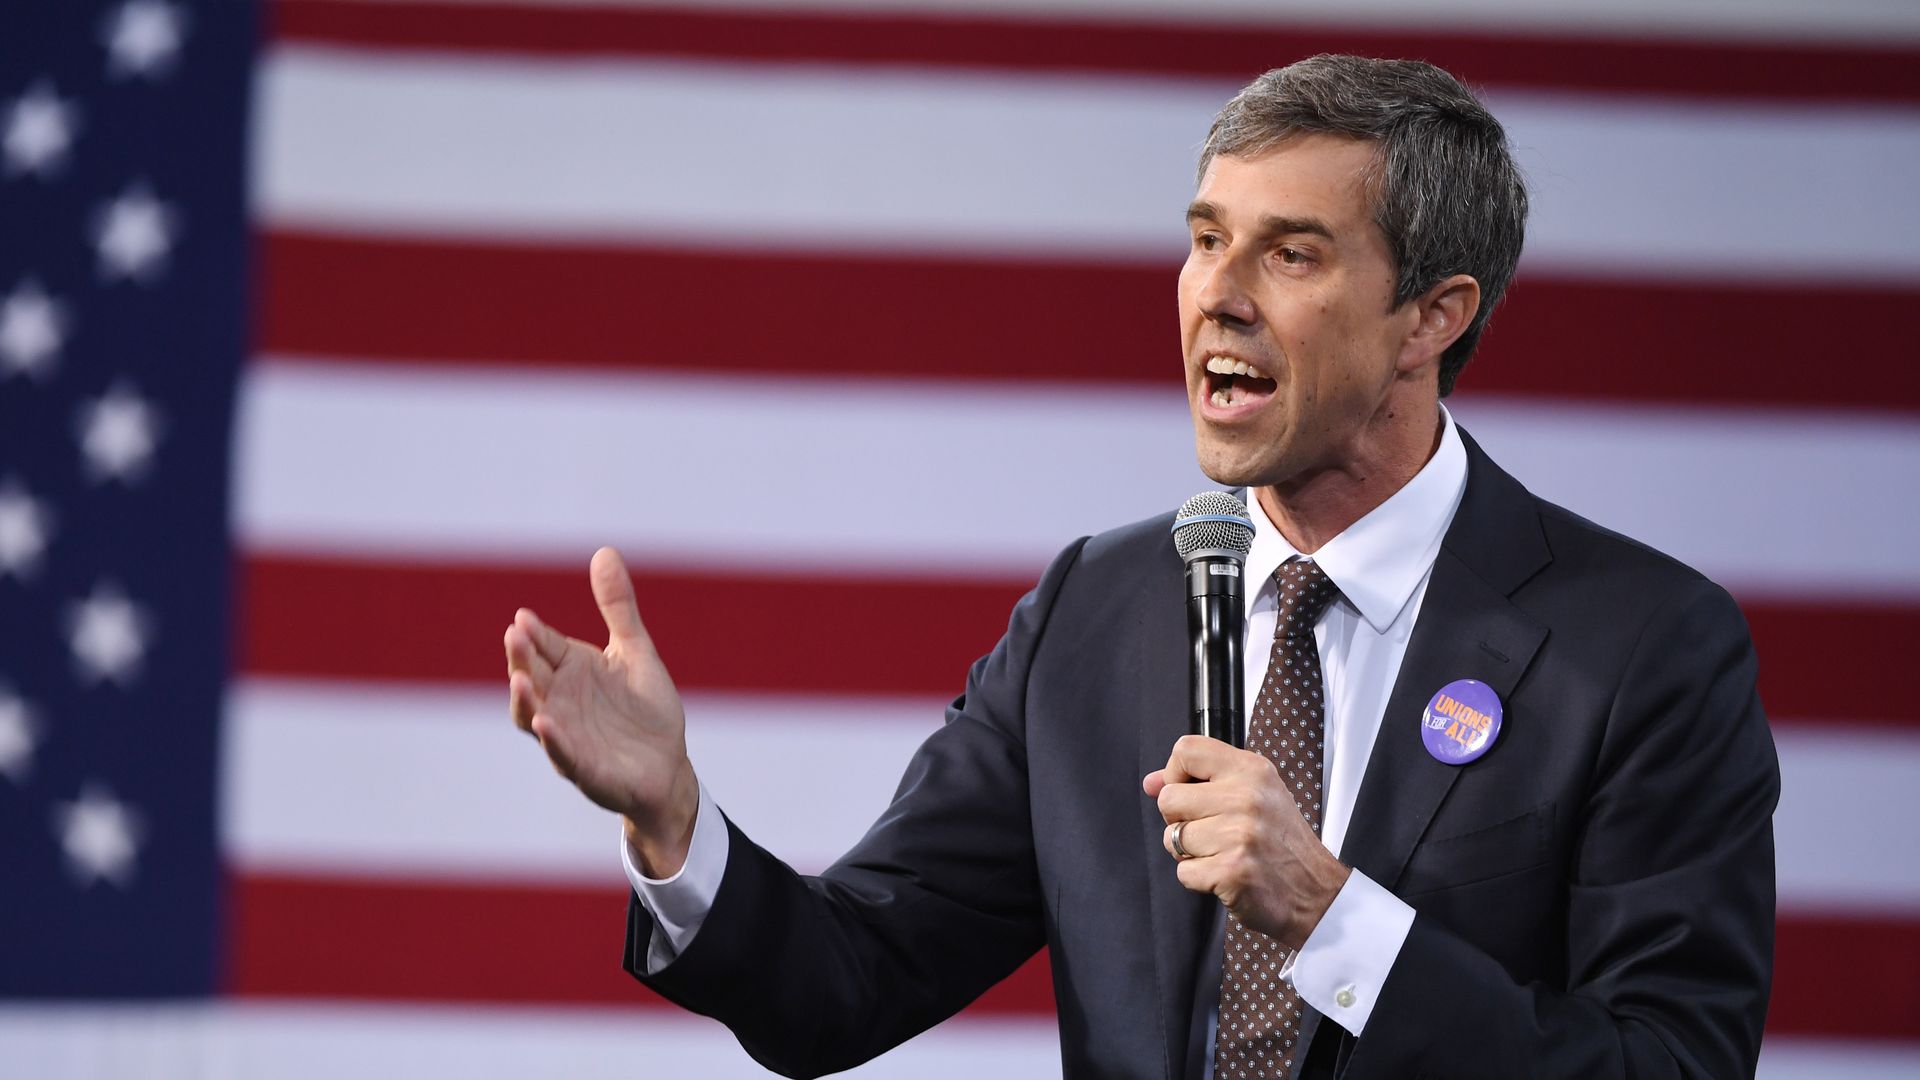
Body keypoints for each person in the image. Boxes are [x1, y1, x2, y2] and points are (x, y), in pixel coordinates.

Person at [503, 54, 1777, 1079]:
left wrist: (1337, 924)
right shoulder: (1094, 616)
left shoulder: (1641, 647)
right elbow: (845, 985)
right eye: (1205, 238)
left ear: (1431, 318)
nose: (1215, 296)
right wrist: (674, 823)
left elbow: (1670, 1060)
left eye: (1290, 253)